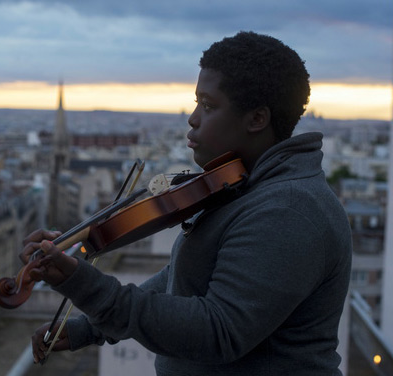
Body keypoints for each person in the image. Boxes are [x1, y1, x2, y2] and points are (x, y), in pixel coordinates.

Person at [20, 31, 352, 375]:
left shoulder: (288, 211)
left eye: (207, 106)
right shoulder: (242, 187)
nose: (192, 118)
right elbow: (184, 276)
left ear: (257, 119)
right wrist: (92, 327)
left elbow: (217, 333)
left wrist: (89, 289)